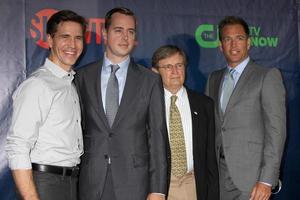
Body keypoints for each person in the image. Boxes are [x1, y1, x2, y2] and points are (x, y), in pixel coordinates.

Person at [75, 7, 168, 200]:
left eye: (130, 32)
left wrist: (158, 190)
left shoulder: (150, 80)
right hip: (91, 182)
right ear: (105, 33)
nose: (125, 37)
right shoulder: (82, 77)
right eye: (118, 30)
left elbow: (157, 137)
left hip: (135, 183)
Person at [5, 10, 86, 200]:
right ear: (50, 40)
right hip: (44, 184)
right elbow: (18, 145)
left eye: (78, 38)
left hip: (69, 183)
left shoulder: (69, 84)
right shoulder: (38, 85)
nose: (72, 45)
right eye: (65, 37)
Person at [205, 16, 286, 200]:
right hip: (218, 177)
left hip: (252, 180)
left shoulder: (267, 76)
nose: (233, 45)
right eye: (227, 39)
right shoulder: (213, 79)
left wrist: (266, 180)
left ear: (249, 43)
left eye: (239, 38)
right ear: (220, 45)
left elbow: (276, 131)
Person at [152, 45, 219, 200]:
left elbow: (210, 158)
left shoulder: (204, 105)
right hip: (158, 189)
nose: (175, 71)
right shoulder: (146, 105)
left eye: (179, 65)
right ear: (155, 72)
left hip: (192, 185)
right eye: (168, 66)